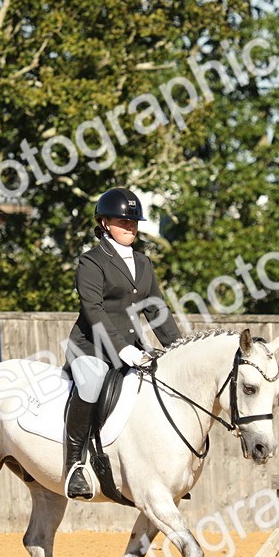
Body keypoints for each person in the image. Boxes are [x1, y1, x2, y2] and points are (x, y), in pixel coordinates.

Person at [63, 187, 180, 500]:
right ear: (103, 223)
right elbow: (94, 310)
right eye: (122, 221)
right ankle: (74, 466)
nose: (130, 226)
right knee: (91, 384)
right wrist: (123, 349)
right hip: (91, 347)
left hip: (133, 349)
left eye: (133, 222)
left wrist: (179, 349)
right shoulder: (91, 262)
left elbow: (157, 310)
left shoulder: (143, 263)